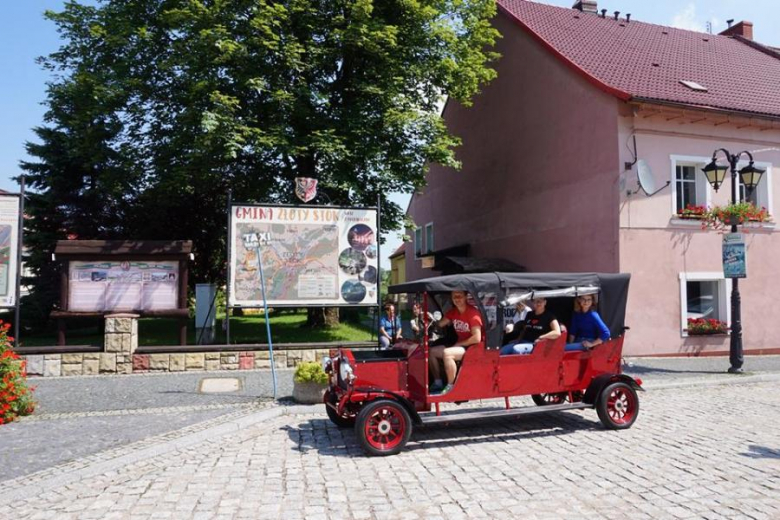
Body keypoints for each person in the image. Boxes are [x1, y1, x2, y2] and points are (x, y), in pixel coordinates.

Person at [429, 291, 483, 394]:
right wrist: (430, 322)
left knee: (447, 353)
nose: (457, 299)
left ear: (466, 297)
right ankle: (438, 382)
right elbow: (440, 324)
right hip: (461, 345)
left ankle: (451, 386)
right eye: (454, 297)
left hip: (474, 347)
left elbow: (477, 338)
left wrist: (460, 343)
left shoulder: (473, 314)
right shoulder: (453, 312)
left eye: (460, 296)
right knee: (432, 351)